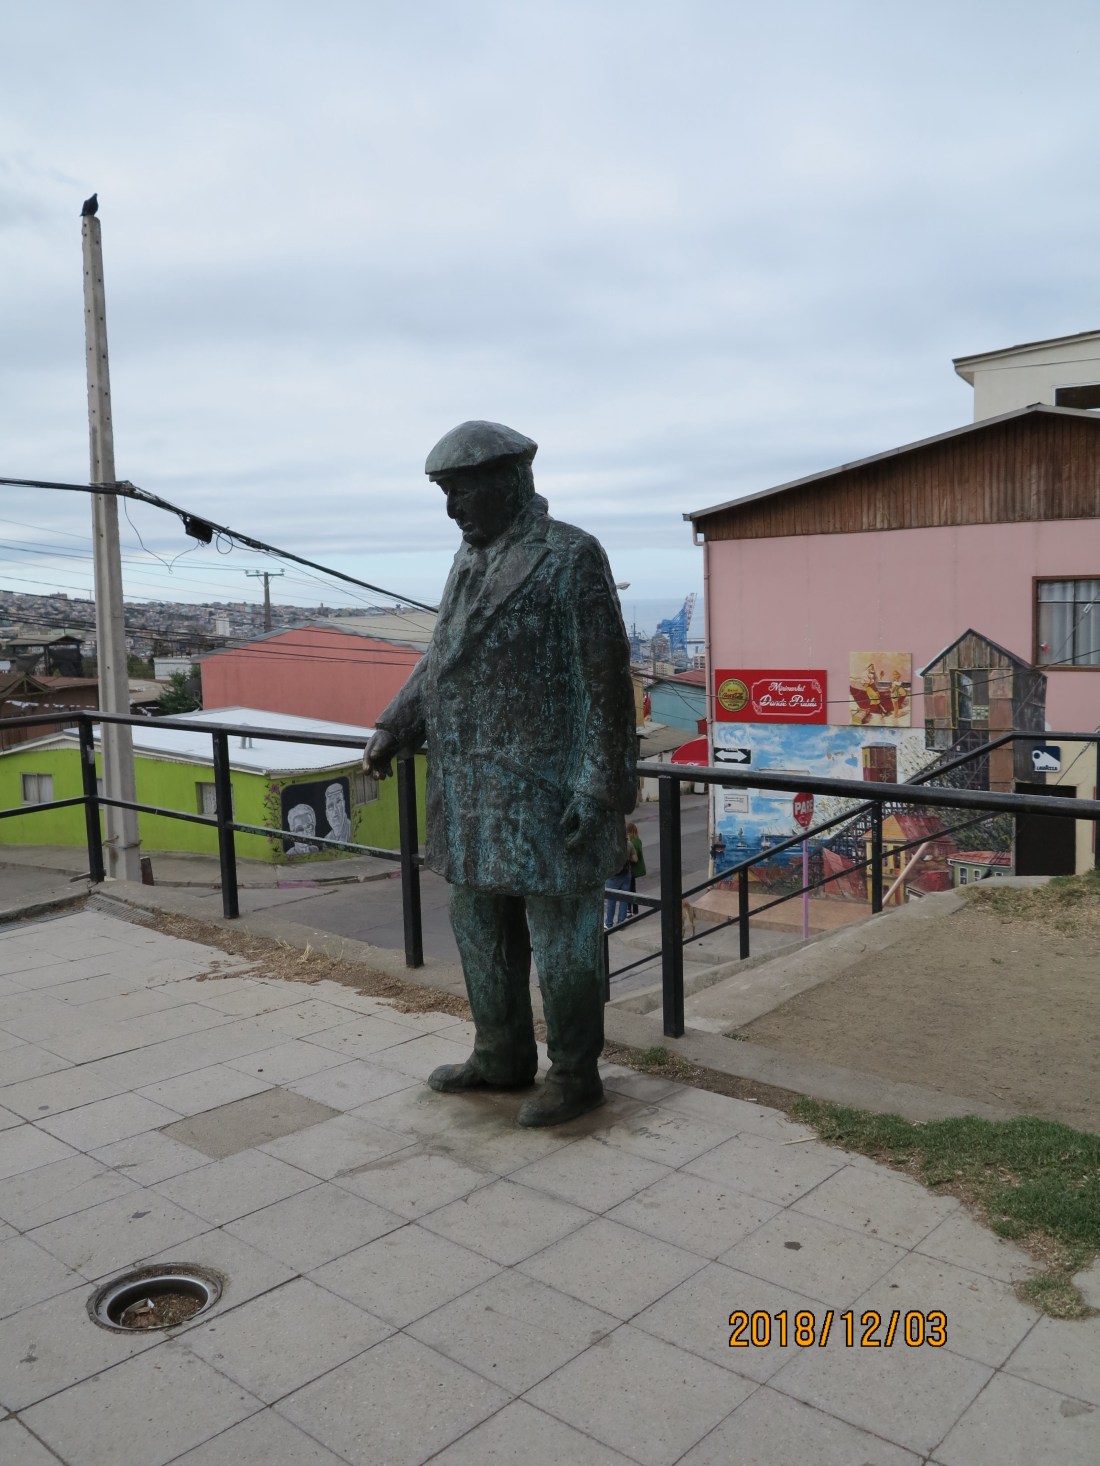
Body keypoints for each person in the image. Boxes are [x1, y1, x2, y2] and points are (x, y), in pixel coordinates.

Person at [363, 420, 636, 1127]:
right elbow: (443, 655)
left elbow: (604, 681)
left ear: (509, 480)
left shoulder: (570, 554)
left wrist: (597, 783)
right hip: (469, 789)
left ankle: (575, 1073)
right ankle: (500, 1053)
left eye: (461, 491)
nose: (452, 508)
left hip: (546, 789)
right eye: (445, 494)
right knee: (479, 928)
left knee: (563, 940)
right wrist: (396, 723)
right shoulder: (467, 557)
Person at [604, 852, 632, 929]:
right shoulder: (628, 845)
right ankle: (621, 923)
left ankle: (609, 923)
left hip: (612, 877)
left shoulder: (608, 847)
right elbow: (635, 859)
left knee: (611, 901)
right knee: (624, 900)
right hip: (625, 874)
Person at [626, 819, 645, 914]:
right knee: (632, 889)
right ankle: (635, 909)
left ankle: (629, 909)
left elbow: (634, 857)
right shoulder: (637, 840)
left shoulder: (633, 842)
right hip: (633, 869)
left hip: (632, 869)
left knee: (630, 889)